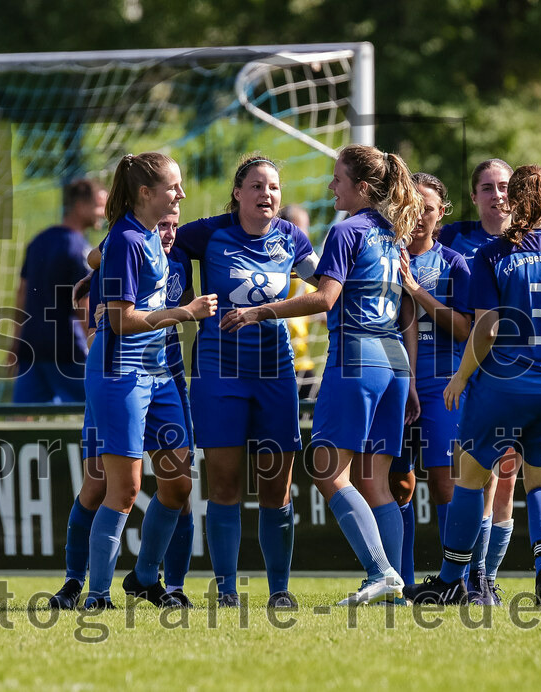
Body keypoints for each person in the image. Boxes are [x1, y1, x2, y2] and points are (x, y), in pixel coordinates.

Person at [404, 165, 541, 606]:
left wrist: (461, 376)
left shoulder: (494, 254)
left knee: (470, 477)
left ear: (515, 201)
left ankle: (448, 579)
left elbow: (486, 328)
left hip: (503, 387)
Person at [222, 145, 423, 605]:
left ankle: (380, 572)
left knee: (329, 469)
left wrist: (258, 312)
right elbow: (405, 306)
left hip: (357, 359)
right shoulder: (393, 233)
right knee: (374, 480)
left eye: (338, 179)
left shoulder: (346, 230)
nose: (331, 187)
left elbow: (325, 298)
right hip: (394, 363)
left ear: (363, 188)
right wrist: (410, 378)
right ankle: (393, 583)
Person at [177, 154, 318, 609]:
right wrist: (99, 279)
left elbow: (326, 290)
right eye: (257, 186)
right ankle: (227, 591)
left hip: (276, 371)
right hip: (219, 371)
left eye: (274, 187)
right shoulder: (208, 232)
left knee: (276, 483)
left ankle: (280, 590)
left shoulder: (292, 237)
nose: (267, 194)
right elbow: (154, 243)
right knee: (223, 483)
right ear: (238, 193)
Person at [82, 153, 217, 609]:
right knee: (123, 490)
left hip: (157, 372)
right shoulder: (127, 239)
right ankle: (96, 594)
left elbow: (95, 259)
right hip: (120, 373)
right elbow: (119, 322)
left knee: (178, 483)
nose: (181, 195)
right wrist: (186, 313)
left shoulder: (143, 236)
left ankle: (143, 578)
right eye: (173, 187)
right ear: (146, 193)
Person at [47, 211, 198, 609]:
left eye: (175, 224)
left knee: (179, 486)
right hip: (120, 376)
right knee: (99, 486)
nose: (169, 232)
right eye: (162, 223)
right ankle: (76, 583)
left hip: (164, 376)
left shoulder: (178, 260)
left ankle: (153, 579)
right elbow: (103, 322)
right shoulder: (124, 252)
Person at [439, 158, 520, 599]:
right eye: (487, 187)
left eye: (504, 185)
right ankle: (466, 578)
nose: (497, 194)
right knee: (471, 475)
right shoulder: (456, 238)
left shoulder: (530, 240)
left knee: (504, 477)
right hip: (464, 371)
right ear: (473, 196)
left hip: (515, 374)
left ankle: (485, 577)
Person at [390, 173, 471, 587]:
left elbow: (463, 329)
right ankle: (398, 583)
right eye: (412, 205)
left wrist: (416, 291)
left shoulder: (454, 263)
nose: (419, 215)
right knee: (397, 482)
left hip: (442, 384)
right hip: (391, 379)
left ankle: (456, 580)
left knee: (445, 483)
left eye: (428, 208)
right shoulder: (383, 253)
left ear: (441, 214)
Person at [12, 178, 107, 404]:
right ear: (80, 206)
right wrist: (95, 347)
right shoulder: (79, 249)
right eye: (99, 206)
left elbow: (22, 294)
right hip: (67, 349)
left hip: (32, 347)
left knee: (21, 418)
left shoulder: (39, 241)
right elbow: (82, 304)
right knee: (101, 404)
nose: (104, 213)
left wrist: (15, 343)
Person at [278, 204, 323, 401]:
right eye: (299, 227)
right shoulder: (276, 266)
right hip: (276, 360)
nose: (304, 233)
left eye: (306, 227)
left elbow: (319, 310)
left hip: (301, 362)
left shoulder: (307, 272)